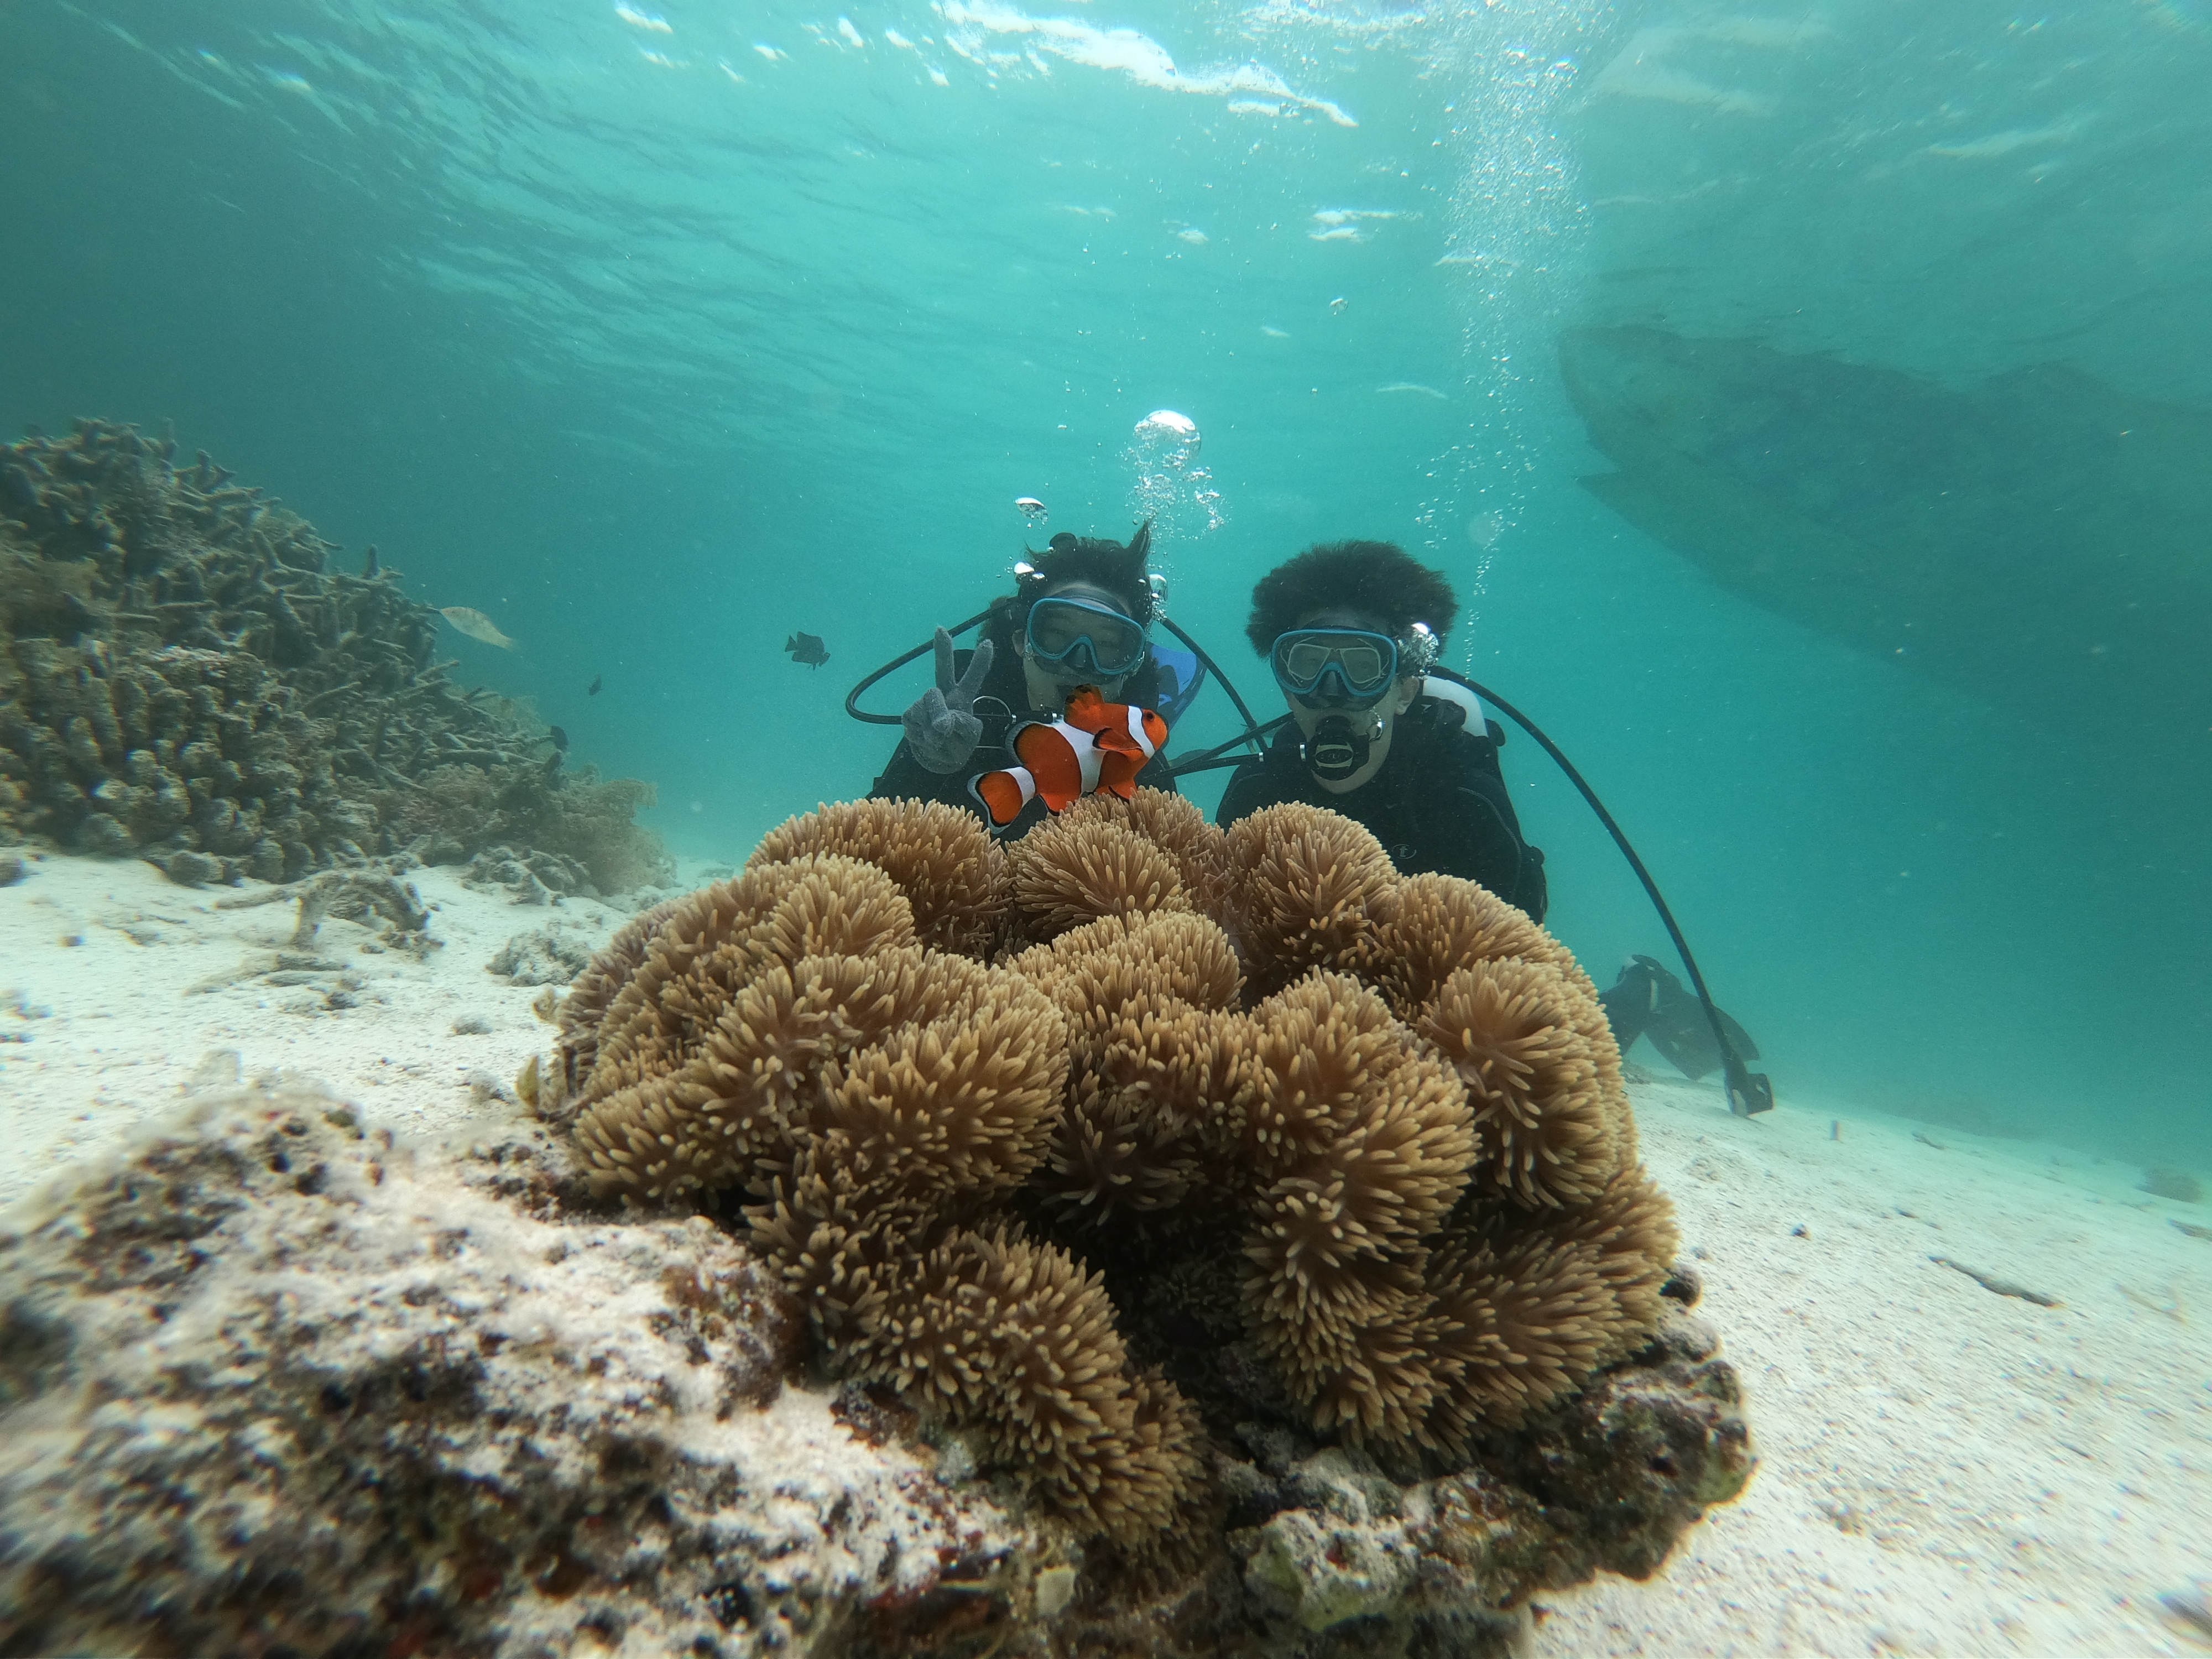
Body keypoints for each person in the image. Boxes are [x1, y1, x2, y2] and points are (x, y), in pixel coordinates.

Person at [1215, 539, 1548, 919]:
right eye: (1309, 664)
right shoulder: (1256, 792)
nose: (1332, 690)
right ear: (1288, 689)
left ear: (1404, 691)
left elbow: (1516, 939)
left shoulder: (1463, 801)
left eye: (1362, 668)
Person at [872, 524, 1178, 836]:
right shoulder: (962, 721)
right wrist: (927, 766)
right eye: (1056, 635)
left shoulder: (1137, 757)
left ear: (1133, 665)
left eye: (1110, 647)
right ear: (1022, 642)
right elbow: (870, 839)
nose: (1078, 664)